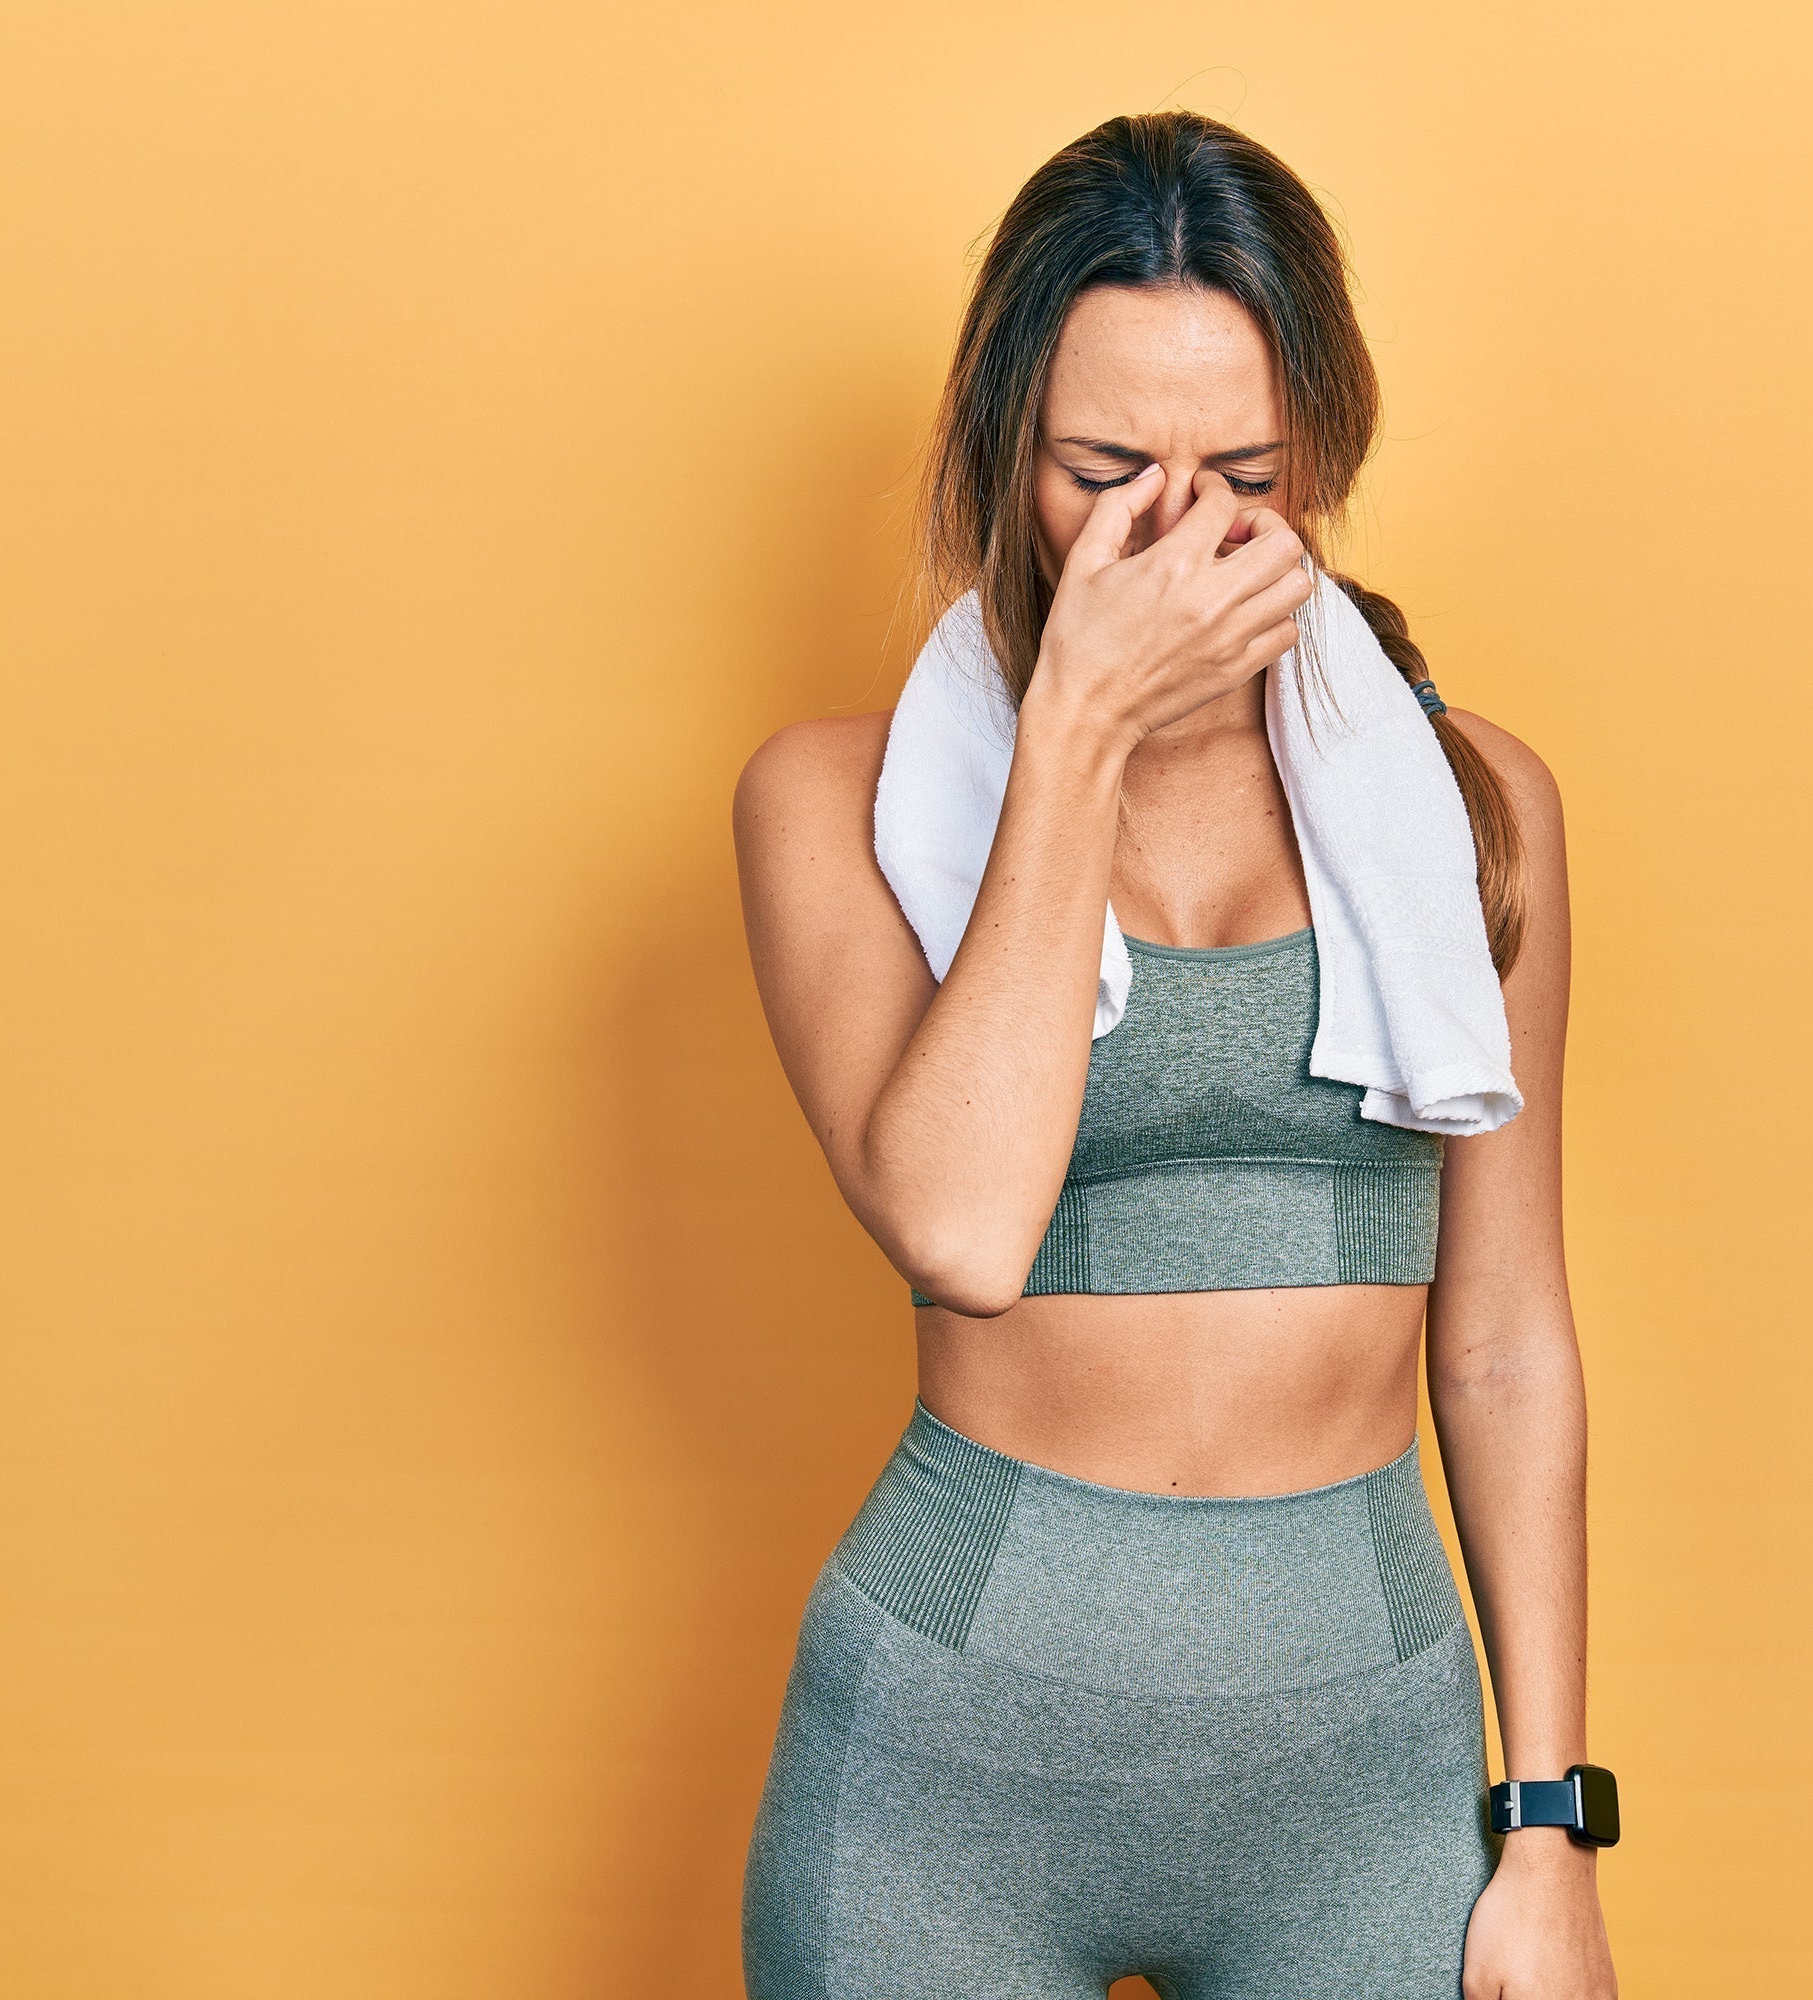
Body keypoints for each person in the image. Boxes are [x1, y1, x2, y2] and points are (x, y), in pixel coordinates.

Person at [731, 110, 1615, 2000]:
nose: (1178, 530)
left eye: (1248, 474)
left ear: (1328, 457)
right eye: (1102, 470)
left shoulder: (1476, 818)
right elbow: (961, 1226)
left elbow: (1507, 1333)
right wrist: (1076, 736)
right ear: (1003, 460)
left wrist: (1552, 1825)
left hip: (1361, 1779)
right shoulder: (835, 806)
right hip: (943, 1782)